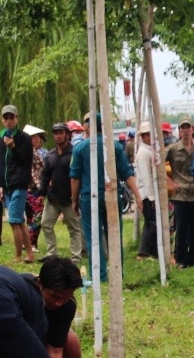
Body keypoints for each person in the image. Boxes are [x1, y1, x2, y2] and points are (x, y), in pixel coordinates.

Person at [69, 118, 138, 282]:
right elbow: (127, 173)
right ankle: (117, 272)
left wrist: (74, 200)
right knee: (114, 235)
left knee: (93, 237)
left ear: (87, 127)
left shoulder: (80, 148)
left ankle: (99, 274)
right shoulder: (114, 146)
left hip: (89, 197)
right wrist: (137, 195)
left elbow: (75, 178)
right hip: (112, 196)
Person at [0, 104, 36, 263]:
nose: (9, 121)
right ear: (2, 120)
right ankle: (30, 254)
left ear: (17, 119)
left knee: (13, 220)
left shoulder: (24, 138)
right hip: (6, 184)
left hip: (19, 183)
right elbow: (1, 163)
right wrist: (0, 184)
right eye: (6, 118)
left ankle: (18, 255)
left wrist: (12, 146)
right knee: (19, 220)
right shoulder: (0, 138)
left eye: (12, 117)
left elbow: (25, 160)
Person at [39, 123, 82, 260]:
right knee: (45, 224)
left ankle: (76, 256)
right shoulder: (50, 154)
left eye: (61, 133)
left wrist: (77, 197)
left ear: (67, 134)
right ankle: (51, 254)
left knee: (74, 228)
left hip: (69, 198)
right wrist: (41, 193)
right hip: (53, 197)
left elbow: (79, 175)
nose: (58, 135)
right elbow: (45, 175)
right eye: (56, 133)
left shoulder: (75, 152)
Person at [165, 119, 194, 268]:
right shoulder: (173, 149)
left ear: (193, 129)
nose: (186, 131)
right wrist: (170, 182)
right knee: (181, 228)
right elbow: (157, 163)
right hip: (180, 194)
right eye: (183, 128)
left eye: (188, 128)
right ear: (179, 131)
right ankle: (181, 259)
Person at [133, 121, 162, 260]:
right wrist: (151, 197)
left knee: (149, 222)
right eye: (146, 135)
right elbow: (146, 177)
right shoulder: (144, 152)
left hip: (148, 192)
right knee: (152, 223)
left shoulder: (150, 150)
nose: (149, 137)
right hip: (146, 193)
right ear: (142, 136)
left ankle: (145, 252)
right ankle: (149, 252)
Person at [25, 125, 47, 252]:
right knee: (36, 216)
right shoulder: (31, 152)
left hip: (32, 188)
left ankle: (30, 242)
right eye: (35, 137)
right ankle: (31, 243)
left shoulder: (39, 152)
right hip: (32, 187)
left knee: (33, 216)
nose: (38, 139)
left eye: (38, 137)